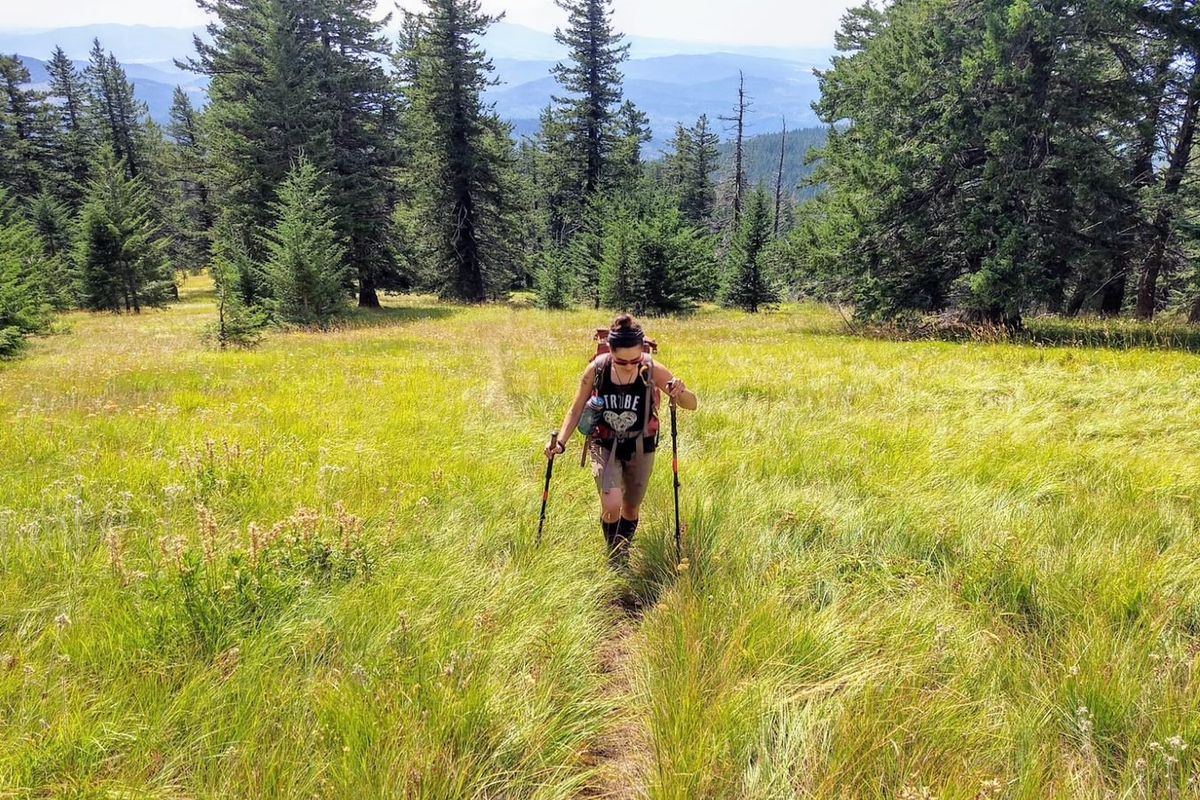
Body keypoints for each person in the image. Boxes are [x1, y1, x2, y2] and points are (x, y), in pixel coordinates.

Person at [545, 314, 699, 564]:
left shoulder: (652, 369)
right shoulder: (597, 369)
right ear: (610, 352)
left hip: (641, 445)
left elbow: (691, 405)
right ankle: (614, 555)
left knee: (631, 507)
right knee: (611, 504)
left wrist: (681, 392)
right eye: (621, 361)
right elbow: (575, 409)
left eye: (634, 360)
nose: (629, 366)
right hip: (603, 442)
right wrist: (560, 442)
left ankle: (623, 547)